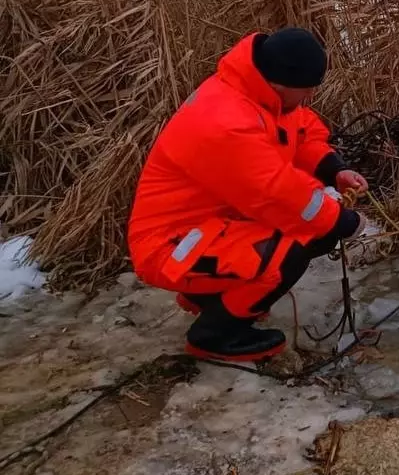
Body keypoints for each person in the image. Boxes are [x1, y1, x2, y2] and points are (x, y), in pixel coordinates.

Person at [127, 27, 368, 363]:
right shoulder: (228, 123)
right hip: (169, 246)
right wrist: (343, 220)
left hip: (207, 227)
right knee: (293, 248)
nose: (311, 95)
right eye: (309, 88)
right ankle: (214, 335)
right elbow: (281, 196)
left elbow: (302, 130)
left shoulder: (261, 93)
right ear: (283, 84)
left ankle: (212, 298)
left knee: (313, 230)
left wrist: (333, 169)